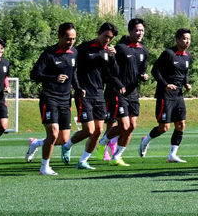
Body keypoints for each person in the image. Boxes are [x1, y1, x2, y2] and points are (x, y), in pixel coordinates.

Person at [59, 22, 117, 170]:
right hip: (84, 93)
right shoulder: (84, 48)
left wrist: (112, 58)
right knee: (89, 130)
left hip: (99, 94)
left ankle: (83, 161)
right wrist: (77, 87)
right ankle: (67, 145)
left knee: (98, 131)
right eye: (106, 36)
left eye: (110, 38)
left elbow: (113, 73)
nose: (107, 40)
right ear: (99, 32)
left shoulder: (107, 52)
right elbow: (72, 68)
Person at [25, 22, 78, 176]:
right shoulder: (49, 54)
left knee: (62, 139)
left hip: (65, 99)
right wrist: (54, 77)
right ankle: (44, 167)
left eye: (73, 39)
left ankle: (36, 143)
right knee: (53, 134)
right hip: (50, 98)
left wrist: (78, 88)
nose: (71, 42)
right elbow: (34, 74)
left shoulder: (74, 53)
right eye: (68, 39)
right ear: (59, 36)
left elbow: (73, 73)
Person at [100, 18, 149, 167]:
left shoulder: (143, 50)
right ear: (130, 31)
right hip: (119, 92)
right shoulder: (121, 48)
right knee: (124, 126)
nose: (140, 33)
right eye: (137, 30)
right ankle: (103, 141)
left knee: (132, 126)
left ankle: (117, 156)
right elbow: (111, 70)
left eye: (142, 30)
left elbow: (142, 69)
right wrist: (119, 84)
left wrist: (144, 76)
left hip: (133, 93)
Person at [139, 28, 193, 163]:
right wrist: (165, 85)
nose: (187, 41)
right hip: (166, 95)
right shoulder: (168, 54)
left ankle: (172, 155)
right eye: (184, 38)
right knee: (164, 128)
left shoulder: (188, 56)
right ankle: (146, 140)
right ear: (177, 39)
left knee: (181, 125)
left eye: (189, 39)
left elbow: (184, 72)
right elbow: (154, 70)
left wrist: (186, 83)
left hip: (179, 95)